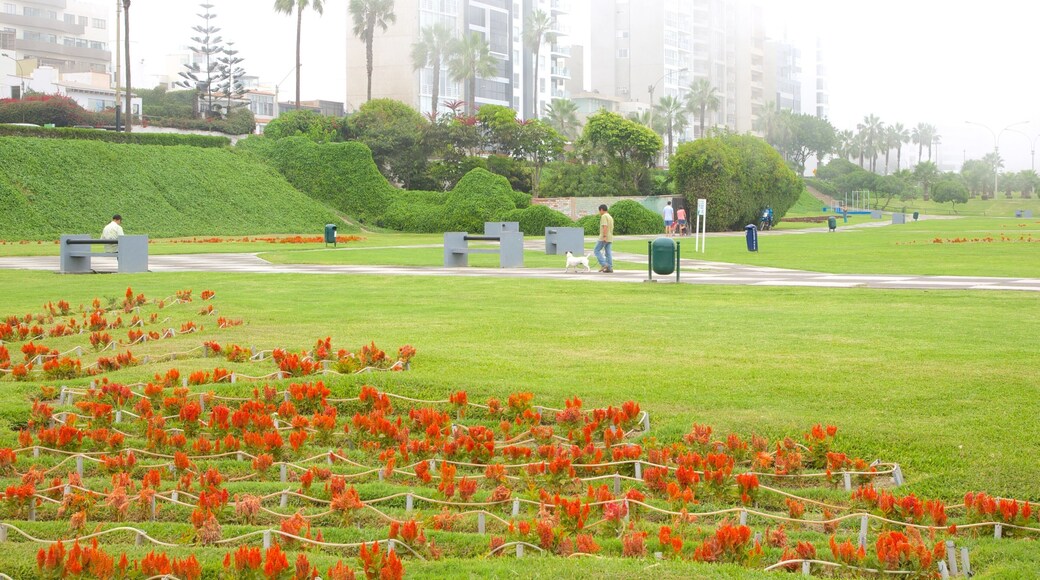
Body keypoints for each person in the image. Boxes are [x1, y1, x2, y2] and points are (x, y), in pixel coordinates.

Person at [594, 204, 614, 273]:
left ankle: (604, 264)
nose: (599, 212)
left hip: (604, 237)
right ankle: (609, 267)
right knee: (608, 252)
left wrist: (604, 236)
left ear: (601, 210)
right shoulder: (610, 217)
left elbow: (605, 226)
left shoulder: (604, 216)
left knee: (596, 250)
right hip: (610, 237)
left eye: (599, 211)